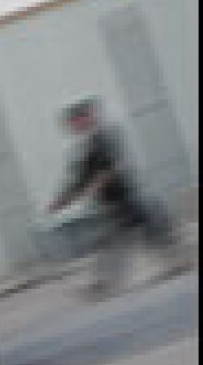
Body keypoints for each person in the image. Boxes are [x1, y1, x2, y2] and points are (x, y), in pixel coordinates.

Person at [48, 97, 187, 298]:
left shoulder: (105, 136)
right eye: (72, 124)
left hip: (127, 198)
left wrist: (95, 185)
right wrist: (62, 200)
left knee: (150, 229)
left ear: (86, 118)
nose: (74, 127)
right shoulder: (84, 148)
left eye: (76, 121)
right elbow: (78, 179)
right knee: (118, 240)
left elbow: (110, 166)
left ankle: (176, 259)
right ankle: (104, 283)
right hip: (114, 205)